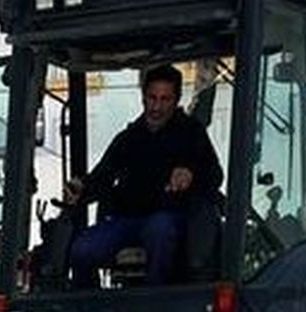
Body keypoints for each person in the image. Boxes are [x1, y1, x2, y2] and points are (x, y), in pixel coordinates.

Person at [63, 64, 223, 287]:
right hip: (128, 219)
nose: (156, 107)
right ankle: (89, 308)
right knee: (82, 249)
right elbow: (102, 176)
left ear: (176, 100)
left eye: (165, 99)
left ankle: (152, 300)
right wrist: (81, 188)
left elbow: (215, 175)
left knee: (160, 229)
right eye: (152, 98)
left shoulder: (191, 133)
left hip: (172, 217)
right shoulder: (129, 138)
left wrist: (190, 174)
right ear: (143, 98)